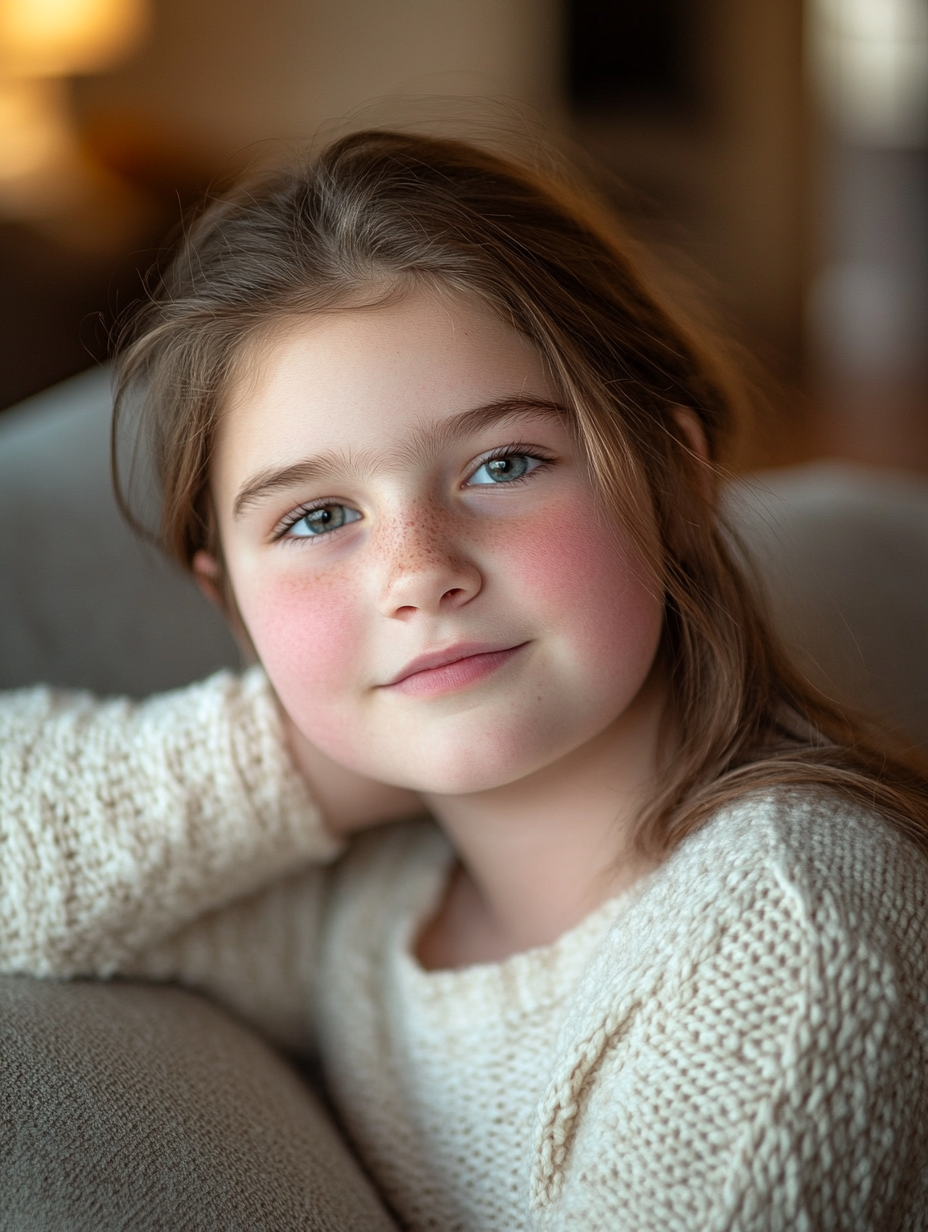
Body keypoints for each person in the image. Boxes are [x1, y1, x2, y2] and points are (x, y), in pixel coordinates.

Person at [2, 128, 927, 1230]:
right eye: (318, 517)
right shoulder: (371, 900)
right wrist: (327, 740)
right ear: (231, 603)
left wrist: (379, 701)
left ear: (674, 480)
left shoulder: (794, 928)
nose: (418, 573)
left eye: (503, 463)